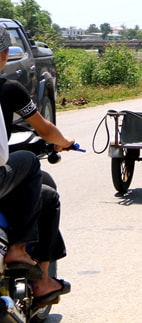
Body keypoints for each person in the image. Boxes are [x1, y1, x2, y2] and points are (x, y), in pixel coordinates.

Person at [0, 26, 74, 305]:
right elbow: (44, 129)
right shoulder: (8, 88)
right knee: (39, 181)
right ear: (6, 55)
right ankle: (37, 274)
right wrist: (64, 141)